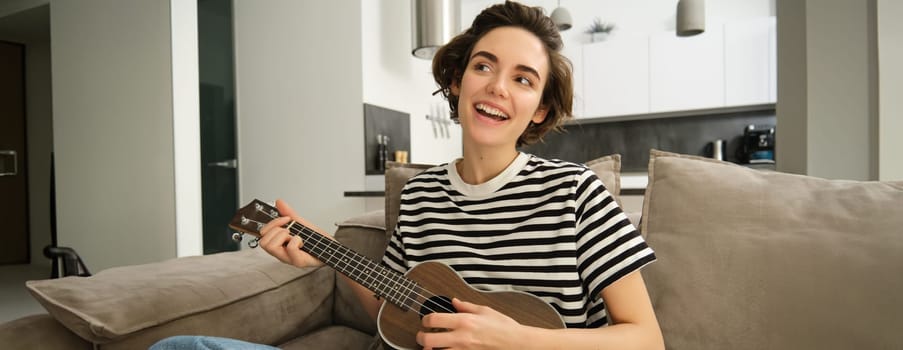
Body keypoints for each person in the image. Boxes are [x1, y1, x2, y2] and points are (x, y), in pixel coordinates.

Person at [152, 1, 663, 349]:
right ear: (458, 81)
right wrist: (323, 254)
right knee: (181, 346)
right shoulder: (421, 196)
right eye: (484, 67)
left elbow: (646, 338)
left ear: (539, 110)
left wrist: (515, 338)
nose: (498, 88)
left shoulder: (576, 193)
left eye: (522, 79)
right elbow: (397, 307)